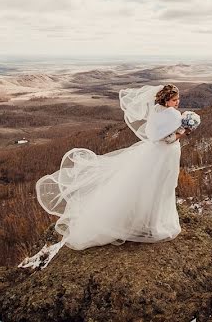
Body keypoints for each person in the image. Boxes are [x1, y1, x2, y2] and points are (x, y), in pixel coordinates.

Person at [35, 84, 185, 250]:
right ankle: (156, 224)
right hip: (165, 154)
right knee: (163, 186)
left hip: (155, 153)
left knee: (151, 185)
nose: (177, 102)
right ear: (165, 100)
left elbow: (153, 134)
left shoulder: (156, 110)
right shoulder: (172, 114)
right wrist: (184, 130)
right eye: (174, 99)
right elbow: (167, 139)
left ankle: (147, 220)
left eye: (178, 99)